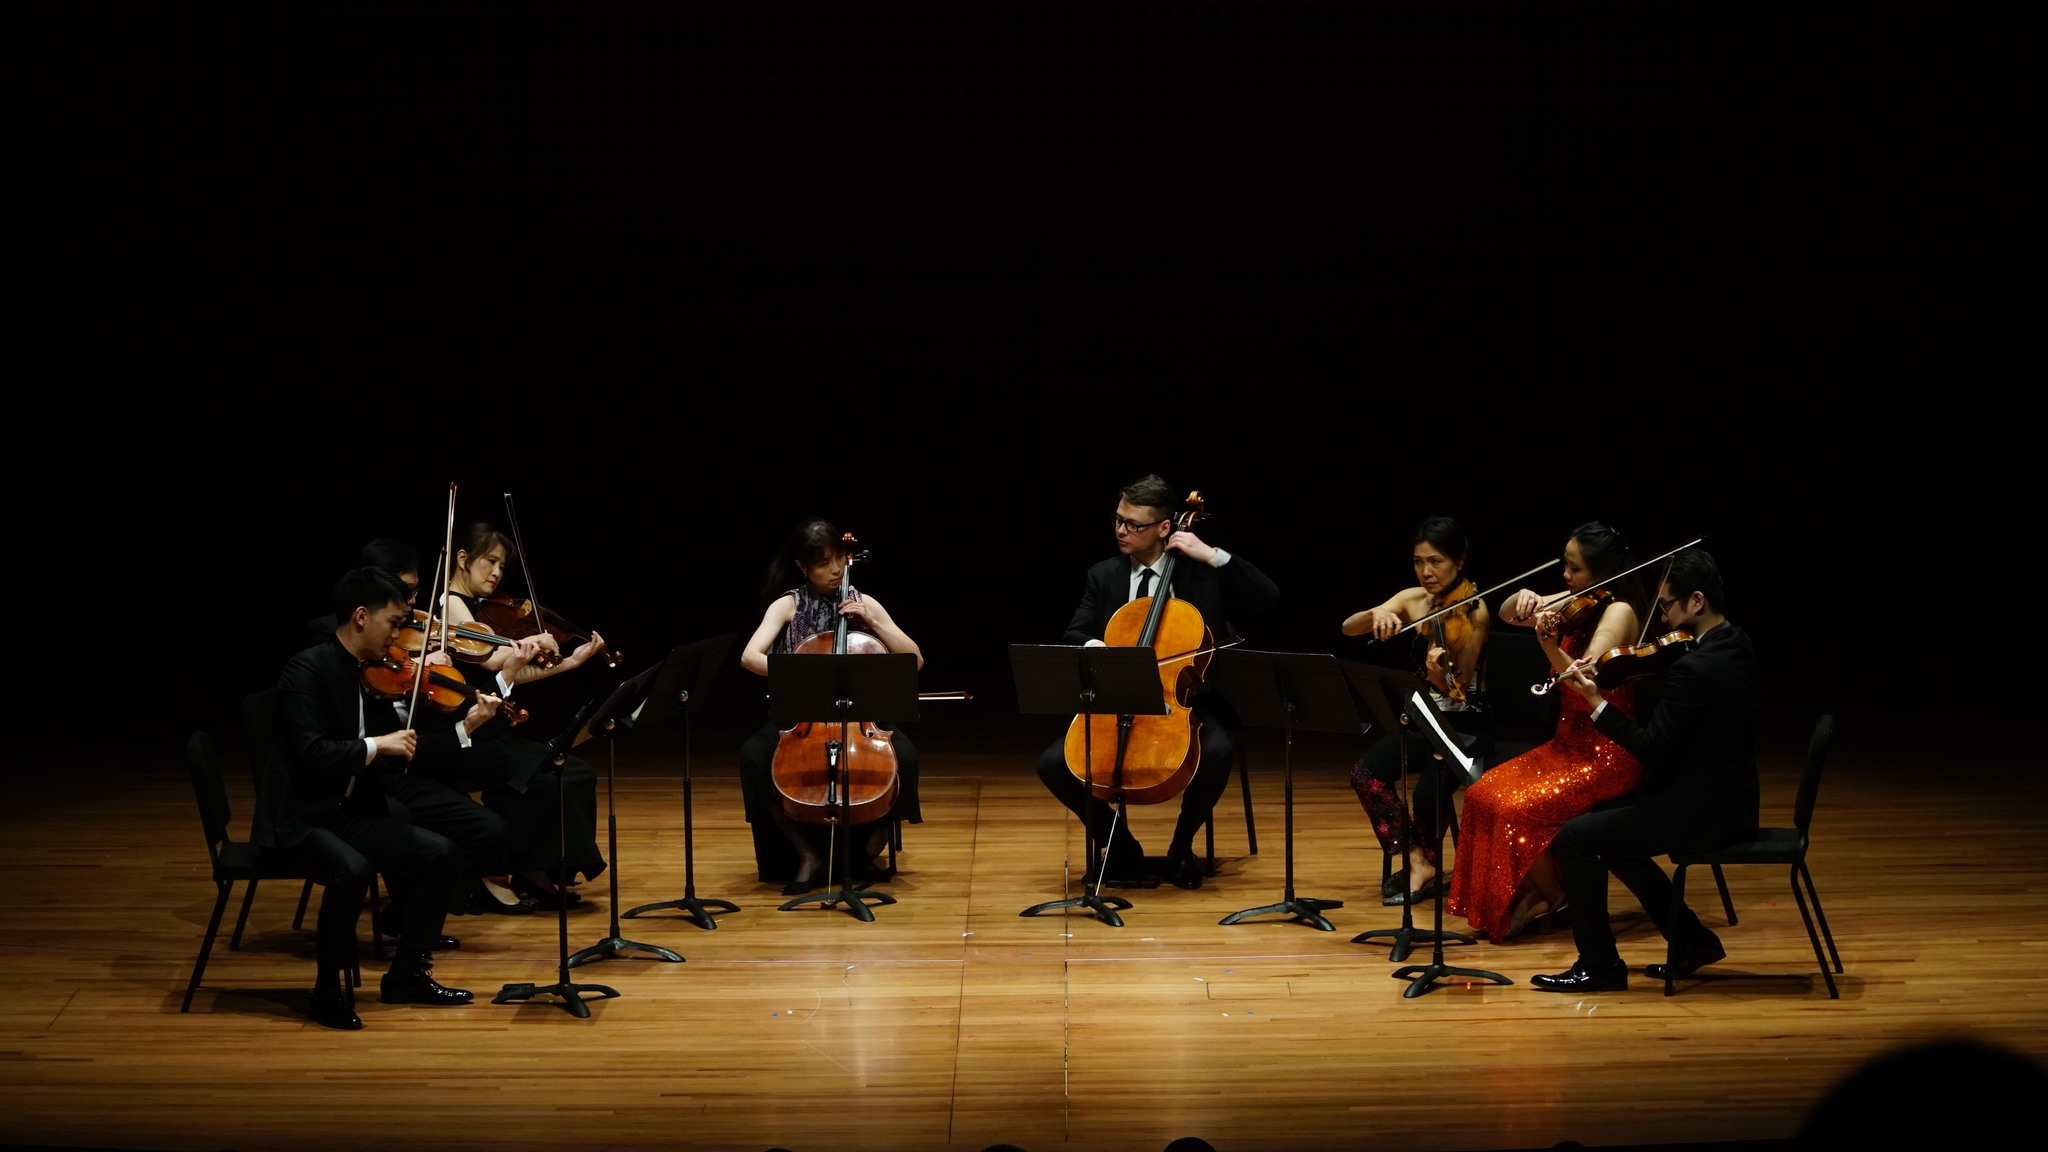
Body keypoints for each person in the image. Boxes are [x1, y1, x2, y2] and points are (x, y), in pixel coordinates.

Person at [253, 567, 495, 1030]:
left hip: (345, 812)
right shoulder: (306, 669)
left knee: (442, 854)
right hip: (299, 818)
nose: (399, 635)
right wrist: (375, 745)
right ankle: (326, 992)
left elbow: (401, 754)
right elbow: (312, 753)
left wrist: (465, 729)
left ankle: (407, 975)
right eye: (393, 622)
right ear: (361, 617)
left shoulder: (367, 672)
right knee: (353, 869)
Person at [1033, 474, 1281, 891]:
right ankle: (1120, 844)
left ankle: (1181, 848)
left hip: (1189, 701)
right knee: (1054, 764)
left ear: (1165, 527)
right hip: (1118, 700)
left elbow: (1268, 597)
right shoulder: (1103, 575)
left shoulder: (1202, 574)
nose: (1121, 530)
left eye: (1134, 524)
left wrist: (1214, 555)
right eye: (1118, 520)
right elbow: (1074, 633)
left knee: (1216, 751)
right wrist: (1097, 646)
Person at [1529, 548, 1758, 992]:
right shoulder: (1736, 643)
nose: (1663, 618)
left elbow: (1654, 749)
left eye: (1667, 605)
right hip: (1730, 800)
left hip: (1700, 812)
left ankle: (1599, 965)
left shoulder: (1694, 668)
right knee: (1610, 836)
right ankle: (1691, 942)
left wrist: (1596, 702)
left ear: (1696, 601)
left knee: (1575, 837)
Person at [1445, 521, 1646, 942]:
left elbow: (1584, 679)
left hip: (1605, 755)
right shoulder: (1580, 600)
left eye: (1574, 568)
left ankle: (1553, 894)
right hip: (1565, 746)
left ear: (1601, 572)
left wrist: (1549, 645)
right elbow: (1506, 613)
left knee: (1513, 807)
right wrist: (1524, 598)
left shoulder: (1619, 611)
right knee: (1481, 792)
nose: (1566, 576)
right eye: (1565, 565)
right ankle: (1541, 892)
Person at [425, 522, 612, 913]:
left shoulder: (481, 608)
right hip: (461, 733)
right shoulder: (451, 603)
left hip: (489, 728)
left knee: (572, 771)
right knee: (538, 777)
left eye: (501, 565)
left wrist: (570, 662)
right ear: (463, 559)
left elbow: (509, 674)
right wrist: (530, 642)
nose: (496, 572)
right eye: (490, 561)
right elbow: (493, 660)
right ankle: (494, 874)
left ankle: (535, 870)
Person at [737, 517, 924, 894]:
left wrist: (872, 622)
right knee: (753, 757)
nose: (836, 569)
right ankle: (807, 853)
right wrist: (798, 673)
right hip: (801, 718)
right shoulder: (787, 605)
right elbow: (749, 656)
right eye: (823, 563)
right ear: (802, 566)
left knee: (904, 757)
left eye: (839, 558)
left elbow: (914, 659)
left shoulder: (863, 602)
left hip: (860, 718)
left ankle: (863, 850)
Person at [1340, 515, 1490, 906]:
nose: (1426, 572)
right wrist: (1377, 614)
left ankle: (1424, 866)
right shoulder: (1413, 598)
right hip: (1424, 718)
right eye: (1419, 562)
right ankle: (1417, 860)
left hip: (1465, 724)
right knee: (1366, 774)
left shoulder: (1475, 611)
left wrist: (1437, 673)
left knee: (1427, 794)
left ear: (1459, 560)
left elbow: (1458, 687)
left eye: (1436, 561)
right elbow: (1348, 628)